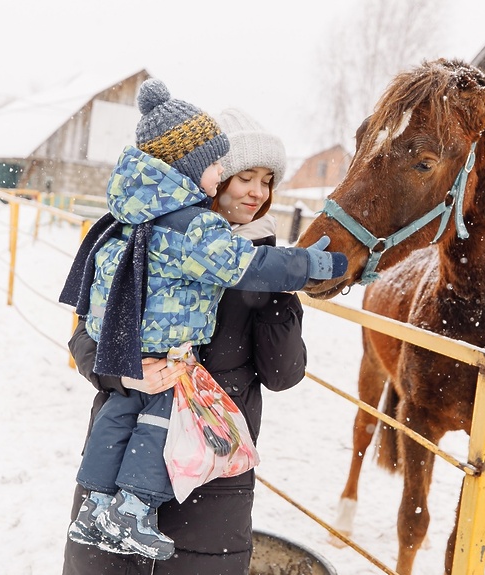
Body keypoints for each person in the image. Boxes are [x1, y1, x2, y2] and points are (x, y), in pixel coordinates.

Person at [59, 79, 345, 565]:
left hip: (208, 488)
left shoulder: (260, 260)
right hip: (112, 472)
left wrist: (280, 288)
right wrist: (126, 372)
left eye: (268, 180)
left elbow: (283, 374)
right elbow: (85, 336)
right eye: (242, 176)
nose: (257, 192)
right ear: (205, 177)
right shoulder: (141, 231)